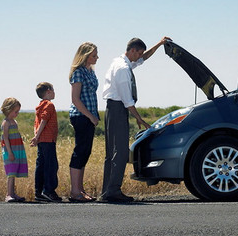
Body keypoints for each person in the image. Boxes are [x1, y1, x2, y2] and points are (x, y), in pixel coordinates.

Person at [101, 36, 171, 202]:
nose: (140, 56)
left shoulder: (120, 61)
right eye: (138, 53)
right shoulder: (122, 69)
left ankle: (107, 191)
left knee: (111, 152)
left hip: (112, 109)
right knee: (121, 152)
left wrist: (160, 45)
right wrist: (140, 119)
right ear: (132, 50)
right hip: (118, 109)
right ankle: (113, 191)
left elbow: (143, 58)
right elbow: (128, 101)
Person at [68, 42, 100, 202]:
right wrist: (90, 116)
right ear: (85, 55)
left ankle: (80, 190)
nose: (97, 58)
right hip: (81, 116)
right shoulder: (78, 72)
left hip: (90, 116)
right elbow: (75, 99)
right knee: (80, 151)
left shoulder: (90, 72)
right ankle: (74, 191)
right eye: (94, 55)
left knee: (85, 152)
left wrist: (94, 116)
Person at [30, 82, 62, 202]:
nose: (54, 92)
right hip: (48, 140)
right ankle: (48, 190)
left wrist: (36, 137)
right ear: (48, 91)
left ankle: (39, 191)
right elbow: (43, 121)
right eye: (53, 90)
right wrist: (37, 137)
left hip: (42, 141)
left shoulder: (40, 105)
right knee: (51, 165)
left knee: (41, 165)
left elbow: (36, 123)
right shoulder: (49, 105)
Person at [0, 97, 28, 202]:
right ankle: (8, 194)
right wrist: (10, 152)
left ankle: (13, 193)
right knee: (11, 173)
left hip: (17, 150)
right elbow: (5, 138)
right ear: (8, 109)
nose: (17, 114)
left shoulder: (13, 121)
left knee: (14, 171)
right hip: (10, 150)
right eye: (15, 111)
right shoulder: (6, 123)